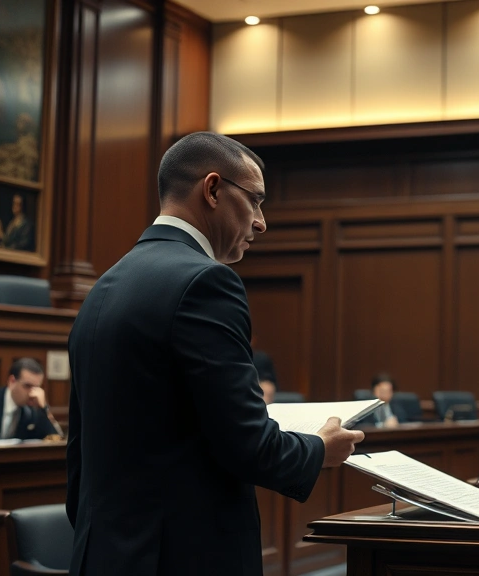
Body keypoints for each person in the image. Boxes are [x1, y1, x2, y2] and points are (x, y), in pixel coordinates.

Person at [66, 131, 364, 576]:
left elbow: (81, 456)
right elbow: (249, 446)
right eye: (256, 201)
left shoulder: (104, 287)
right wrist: (320, 449)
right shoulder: (206, 282)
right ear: (212, 189)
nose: (262, 222)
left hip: (104, 555)